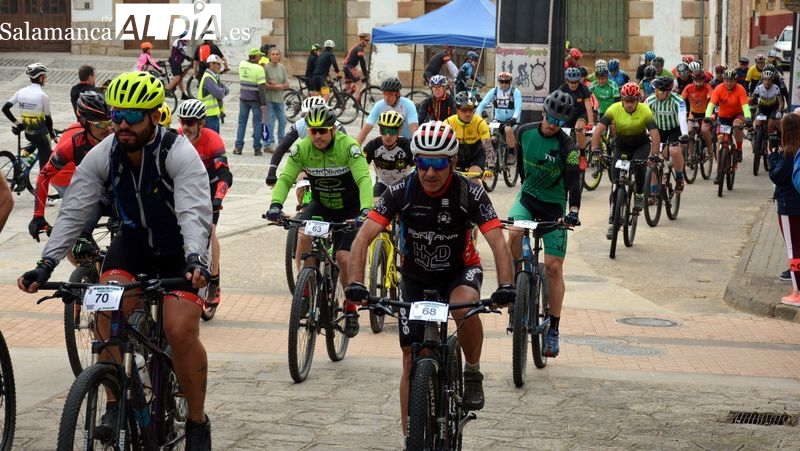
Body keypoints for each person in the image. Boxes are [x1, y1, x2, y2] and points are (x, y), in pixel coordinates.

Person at [17, 71, 213, 449]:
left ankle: (196, 421)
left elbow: (194, 212)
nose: (121, 124)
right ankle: (112, 400)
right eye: (116, 115)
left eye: (132, 116)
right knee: (107, 311)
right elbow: (75, 210)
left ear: (154, 116)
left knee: (179, 329)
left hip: (177, 252)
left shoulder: (178, 152)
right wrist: (46, 264)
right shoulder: (104, 152)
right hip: (133, 243)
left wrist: (196, 260)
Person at [344, 120, 515, 434]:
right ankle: (411, 436)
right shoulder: (401, 190)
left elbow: (498, 243)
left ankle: (473, 372)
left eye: (438, 163)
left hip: (459, 272)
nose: (430, 172)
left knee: (464, 306)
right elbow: (363, 238)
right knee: (410, 358)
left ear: (451, 162)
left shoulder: (470, 191)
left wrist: (506, 286)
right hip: (415, 278)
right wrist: (355, 283)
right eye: (423, 162)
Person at [265, 104, 373, 338]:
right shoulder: (303, 148)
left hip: (350, 208)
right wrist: (275, 205)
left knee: (344, 257)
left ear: (333, 129)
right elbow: (285, 178)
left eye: (322, 131)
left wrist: (365, 211)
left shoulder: (349, 147)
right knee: (303, 236)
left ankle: (351, 308)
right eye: (313, 131)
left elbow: (365, 180)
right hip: (321, 205)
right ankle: (306, 293)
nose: (317, 136)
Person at [509, 90, 582, 358]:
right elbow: (518, 156)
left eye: (558, 122)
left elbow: (575, 182)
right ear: (543, 113)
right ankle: (518, 283)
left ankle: (553, 329)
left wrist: (573, 210)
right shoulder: (524, 131)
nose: (552, 125)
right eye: (550, 118)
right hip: (527, 198)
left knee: (553, 268)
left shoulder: (569, 148)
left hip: (554, 208)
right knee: (514, 233)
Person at [29, 91, 114, 242]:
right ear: (85, 123)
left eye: (110, 122)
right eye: (101, 124)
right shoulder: (74, 144)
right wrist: (38, 216)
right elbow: (44, 176)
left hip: (122, 194)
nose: (108, 129)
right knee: (69, 242)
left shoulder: (120, 136)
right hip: (94, 196)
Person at [175, 99, 232, 314]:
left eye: (190, 122)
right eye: (183, 121)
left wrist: (218, 198)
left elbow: (225, 174)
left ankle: (214, 281)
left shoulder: (212, 140)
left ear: (201, 123)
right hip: (185, 189)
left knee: (210, 232)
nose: (186, 126)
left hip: (208, 191)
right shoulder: (178, 137)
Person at [591, 82, 660, 239]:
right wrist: (595, 149)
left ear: (637, 100)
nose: (629, 104)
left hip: (640, 145)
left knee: (640, 166)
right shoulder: (614, 109)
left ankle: (640, 195)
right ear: (622, 99)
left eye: (632, 101)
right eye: (626, 100)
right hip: (621, 146)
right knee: (616, 182)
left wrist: (654, 154)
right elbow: (599, 130)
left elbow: (654, 134)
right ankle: (612, 221)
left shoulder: (645, 110)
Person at [769, 113, 800, 305]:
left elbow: (777, 177)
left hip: (789, 206)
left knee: (793, 249)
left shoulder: (788, 153)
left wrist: (772, 158)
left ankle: (797, 292)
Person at [3, 63, 57, 170]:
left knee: (33, 145)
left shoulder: (21, 92)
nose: (45, 79)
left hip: (28, 133)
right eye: (45, 77)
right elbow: (48, 120)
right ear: (41, 78)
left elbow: (5, 109)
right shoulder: (43, 96)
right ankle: (41, 180)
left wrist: (19, 124)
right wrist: (53, 135)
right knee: (45, 165)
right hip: (42, 135)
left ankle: (20, 166)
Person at [645, 76, 689, 197]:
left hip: (674, 129)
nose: (656, 93)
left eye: (659, 91)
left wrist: (685, 134)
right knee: (651, 157)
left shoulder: (678, 101)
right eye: (655, 90)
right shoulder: (650, 101)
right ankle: (653, 191)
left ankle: (679, 177)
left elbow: (682, 120)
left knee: (674, 151)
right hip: (658, 130)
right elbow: (645, 119)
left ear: (668, 92)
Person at [705, 68, 752, 178]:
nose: (728, 83)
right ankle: (719, 169)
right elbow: (711, 104)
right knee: (720, 141)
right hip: (723, 117)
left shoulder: (740, 89)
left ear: (735, 81)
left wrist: (748, 117)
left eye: (731, 80)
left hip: (737, 115)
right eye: (726, 80)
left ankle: (739, 149)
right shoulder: (719, 89)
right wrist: (707, 116)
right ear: (723, 80)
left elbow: (745, 106)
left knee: (736, 126)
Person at [444, 91, 493, 183]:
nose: (468, 114)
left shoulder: (480, 122)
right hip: (457, 156)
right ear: (457, 110)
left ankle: (478, 196)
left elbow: (488, 146)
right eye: (464, 110)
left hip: (476, 155)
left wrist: (491, 167)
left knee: (472, 180)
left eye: (471, 110)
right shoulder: (448, 123)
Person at [362, 111, 413, 198]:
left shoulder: (407, 145)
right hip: (383, 183)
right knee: (375, 204)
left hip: (403, 185)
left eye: (392, 131)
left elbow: (417, 170)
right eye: (384, 130)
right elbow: (360, 167)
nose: (387, 135)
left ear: (399, 131)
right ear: (379, 130)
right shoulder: (372, 146)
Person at [477, 71, 523, 165]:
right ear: (499, 82)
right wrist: (477, 117)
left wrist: (513, 119)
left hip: (511, 120)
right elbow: (482, 104)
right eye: (502, 82)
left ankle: (511, 153)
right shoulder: (494, 91)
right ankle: (492, 156)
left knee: (507, 129)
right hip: (498, 119)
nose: (504, 84)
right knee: (491, 133)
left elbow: (518, 108)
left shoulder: (515, 92)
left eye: (506, 82)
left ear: (510, 82)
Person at [356, 77, 419, 144]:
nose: (387, 98)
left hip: (406, 141)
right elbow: (366, 128)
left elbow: (414, 129)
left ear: (398, 94)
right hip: (388, 140)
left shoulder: (408, 104)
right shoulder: (379, 105)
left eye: (390, 95)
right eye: (385, 94)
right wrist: (355, 147)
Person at [234, 48, 268, 156]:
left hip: (243, 99)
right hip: (255, 100)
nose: (261, 58)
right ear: (256, 56)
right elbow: (261, 88)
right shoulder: (259, 69)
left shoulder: (242, 64)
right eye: (260, 56)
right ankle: (257, 149)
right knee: (257, 124)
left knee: (241, 123)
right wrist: (263, 103)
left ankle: (238, 148)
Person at [681, 70, 714, 161]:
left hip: (705, 114)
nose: (698, 83)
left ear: (704, 80)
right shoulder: (688, 88)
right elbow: (681, 101)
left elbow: (712, 99)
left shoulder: (707, 87)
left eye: (701, 81)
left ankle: (710, 151)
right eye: (696, 81)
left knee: (704, 130)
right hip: (693, 114)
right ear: (693, 80)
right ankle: (691, 156)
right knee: (690, 131)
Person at [750, 69, 784, 157]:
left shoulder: (776, 88)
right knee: (757, 123)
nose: (767, 82)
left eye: (769, 80)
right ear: (763, 80)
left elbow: (780, 101)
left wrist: (780, 110)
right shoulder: (759, 88)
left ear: (772, 80)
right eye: (765, 79)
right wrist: (750, 105)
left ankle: (772, 142)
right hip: (762, 108)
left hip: (772, 109)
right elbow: (752, 98)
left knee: (770, 125)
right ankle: (757, 140)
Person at [559, 67, 593, 151]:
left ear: (579, 80)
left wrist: (591, 122)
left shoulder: (584, 88)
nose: (573, 84)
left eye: (576, 82)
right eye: (571, 82)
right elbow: (558, 106)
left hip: (581, 114)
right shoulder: (562, 89)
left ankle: (582, 155)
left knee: (579, 129)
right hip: (568, 115)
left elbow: (588, 107)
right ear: (567, 80)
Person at [264, 47, 289, 153]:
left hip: (279, 99)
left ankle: (281, 143)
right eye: (273, 54)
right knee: (270, 123)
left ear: (279, 56)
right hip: (269, 99)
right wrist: (271, 85)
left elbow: (287, 84)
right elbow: (262, 84)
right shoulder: (266, 67)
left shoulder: (282, 67)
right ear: (269, 56)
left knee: (283, 121)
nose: (275, 56)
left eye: (277, 54)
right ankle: (268, 144)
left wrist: (278, 86)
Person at [197, 54, 229, 133]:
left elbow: (223, 88)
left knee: (214, 139)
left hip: (213, 114)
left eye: (220, 64)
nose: (220, 66)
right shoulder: (208, 78)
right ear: (211, 64)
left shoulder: (214, 76)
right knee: (211, 140)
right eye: (218, 64)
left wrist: (223, 90)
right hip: (209, 115)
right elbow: (219, 94)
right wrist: (224, 90)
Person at [343, 33, 370, 103]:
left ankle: (341, 99)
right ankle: (356, 103)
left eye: (368, 40)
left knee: (348, 86)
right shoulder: (359, 48)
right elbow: (362, 61)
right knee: (359, 84)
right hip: (349, 67)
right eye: (366, 40)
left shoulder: (357, 47)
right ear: (361, 40)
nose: (367, 42)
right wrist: (365, 73)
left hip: (347, 67)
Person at [167, 32, 192, 100]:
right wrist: (188, 57)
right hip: (174, 62)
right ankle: (166, 91)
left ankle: (183, 94)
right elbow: (181, 50)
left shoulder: (182, 42)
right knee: (177, 78)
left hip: (177, 63)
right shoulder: (179, 41)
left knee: (180, 79)